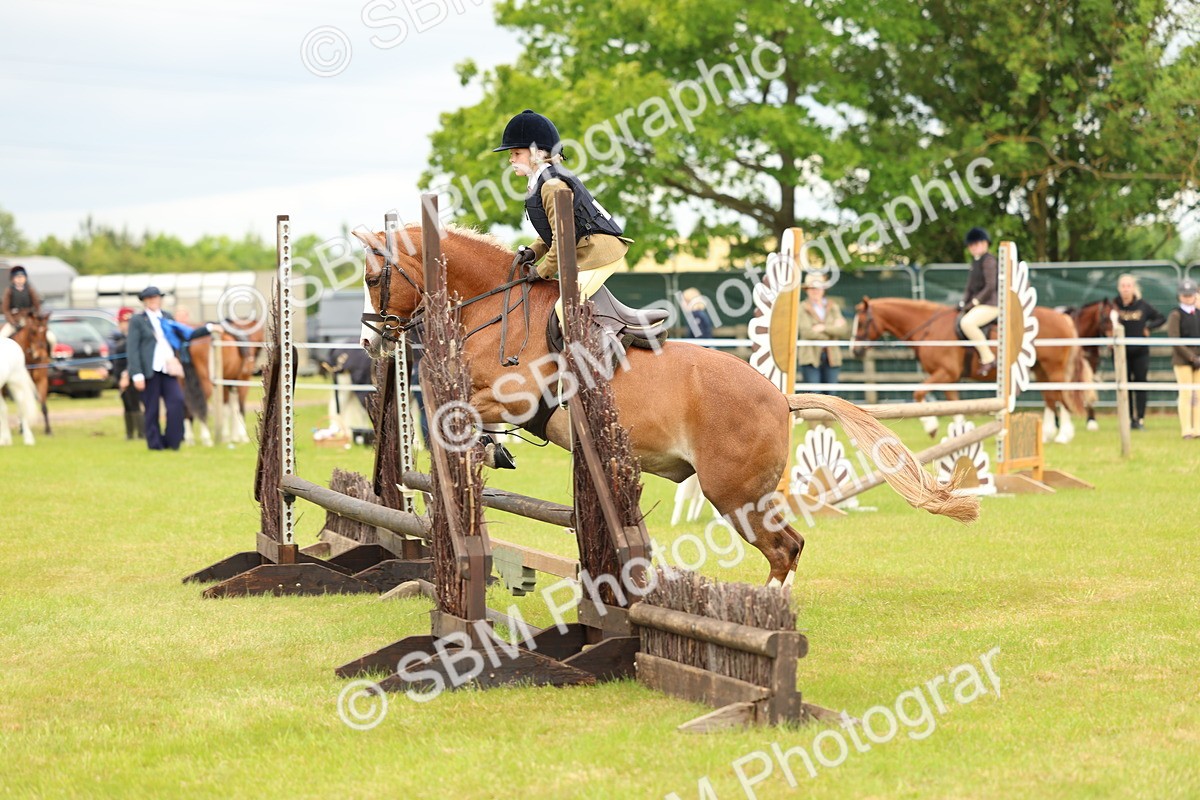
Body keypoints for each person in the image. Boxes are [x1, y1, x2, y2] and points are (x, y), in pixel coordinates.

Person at [493, 109, 632, 326]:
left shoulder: (551, 185)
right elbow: (552, 230)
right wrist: (532, 251)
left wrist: (542, 271)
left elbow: (562, 240)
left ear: (537, 154)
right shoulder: (541, 182)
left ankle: (594, 357)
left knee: (564, 309)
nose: (510, 159)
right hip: (582, 253)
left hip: (598, 254)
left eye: (516, 153)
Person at [126, 286, 186, 450]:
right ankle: (155, 443)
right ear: (145, 301)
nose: (153, 300)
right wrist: (137, 374)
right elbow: (133, 348)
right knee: (151, 408)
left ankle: (173, 441)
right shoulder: (138, 320)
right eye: (149, 298)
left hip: (168, 368)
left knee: (177, 402)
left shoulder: (167, 317)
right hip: (149, 370)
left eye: (156, 297)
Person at [1111, 274, 1165, 430]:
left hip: (1140, 352)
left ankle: (1139, 419)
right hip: (1121, 353)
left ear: (1133, 288)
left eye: (1129, 285)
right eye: (1123, 286)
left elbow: (1161, 317)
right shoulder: (1114, 306)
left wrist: (1148, 328)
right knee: (1124, 385)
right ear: (1119, 288)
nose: (1126, 289)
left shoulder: (1143, 305)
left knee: (1140, 385)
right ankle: (1127, 419)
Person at [958, 227, 999, 377]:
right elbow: (969, 288)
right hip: (980, 304)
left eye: (976, 244)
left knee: (967, 323)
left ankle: (988, 358)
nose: (973, 248)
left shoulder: (989, 261)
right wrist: (963, 303)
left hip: (992, 304)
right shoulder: (975, 263)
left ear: (985, 243)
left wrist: (974, 302)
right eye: (971, 245)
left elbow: (990, 286)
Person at [797, 274, 848, 394]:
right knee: (814, 395)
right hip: (810, 357)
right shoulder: (802, 308)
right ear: (807, 290)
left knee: (832, 396)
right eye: (812, 288)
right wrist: (832, 332)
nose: (816, 291)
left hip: (832, 357)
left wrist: (823, 328)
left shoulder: (833, 306)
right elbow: (806, 332)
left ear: (823, 289)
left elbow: (843, 330)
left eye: (818, 288)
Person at [1166, 279, 1200, 439]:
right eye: (1184, 295)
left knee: (1198, 395)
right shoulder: (1176, 314)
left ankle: (1198, 428)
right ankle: (1186, 428)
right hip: (1183, 359)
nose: (1187, 297)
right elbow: (1175, 339)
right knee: (1186, 393)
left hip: (1199, 359)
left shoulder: (1198, 313)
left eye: (1190, 294)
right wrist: (1191, 357)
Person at [109, 307, 144, 440]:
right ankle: (130, 434)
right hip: (120, 376)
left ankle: (141, 433)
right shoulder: (120, 338)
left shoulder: (134, 340)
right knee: (127, 405)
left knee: (135, 404)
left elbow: (133, 359)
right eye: (123, 322)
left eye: (127, 322)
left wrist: (126, 375)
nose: (125, 325)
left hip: (131, 376)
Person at [1, 265, 42, 338]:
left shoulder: (30, 289)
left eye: (22, 277)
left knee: (49, 337)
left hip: (29, 319)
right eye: (17, 277)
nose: (20, 279)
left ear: (25, 278)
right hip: (15, 320)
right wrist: (13, 323)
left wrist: (36, 317)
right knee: (2, 336)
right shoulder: (9, 291)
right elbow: (5, 309)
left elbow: (37, 305)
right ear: (13, 279)